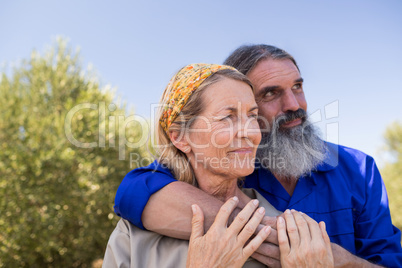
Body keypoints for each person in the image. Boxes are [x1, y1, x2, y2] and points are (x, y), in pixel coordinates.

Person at [114, 46, 402, 267]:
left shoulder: (358, 169)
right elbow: (134, 188)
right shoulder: (233, 169)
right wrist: (257, 231)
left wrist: (332, 259)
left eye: (298, 87)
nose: (293, 105)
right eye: (271, 93)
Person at [104, 63, 334, 268]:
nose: (250, 132)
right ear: (180, 137)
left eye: (253, 116)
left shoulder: (287, 232)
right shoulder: (133, 235)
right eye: (228, 117)